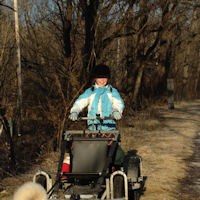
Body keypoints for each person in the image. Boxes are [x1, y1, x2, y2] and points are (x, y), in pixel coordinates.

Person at [69, 63, 125, 167]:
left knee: (116, 155)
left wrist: (116, 111)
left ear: (108, 78)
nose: (102, 80)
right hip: (93, 129)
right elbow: (80, 102)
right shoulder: (90, 91)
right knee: (85, 151)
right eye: (100, 77)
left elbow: (118, 103)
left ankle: (115, 170)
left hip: (109, 130)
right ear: (95, 78)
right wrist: (75, 111)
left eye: (105, 77)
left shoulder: (112, 91)